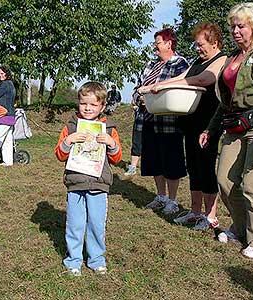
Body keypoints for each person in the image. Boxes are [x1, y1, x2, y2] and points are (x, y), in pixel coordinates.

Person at [200, 3, 253, 258]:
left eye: (241, 26)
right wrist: (210, 129)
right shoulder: (233, 58)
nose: (235, 31)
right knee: (225, 181)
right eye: (233, 26)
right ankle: (242, 228)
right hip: (234, 126)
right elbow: (226, 101)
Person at [148, 23, 227, 231]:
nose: (197, 49)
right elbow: (182, 77)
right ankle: (194, 212)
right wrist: (155, 86)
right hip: (191, 122)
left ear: (215, 43)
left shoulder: (221, 60)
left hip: (208, 124)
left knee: (206, 167)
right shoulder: (197, 61)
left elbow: (204, 79)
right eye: (196, 45)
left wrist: (164, 85)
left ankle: (210, 216)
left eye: (201, 44)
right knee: (193, 167)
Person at [54, 81, 122, 276]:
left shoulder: (109, 129)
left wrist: (111, 144)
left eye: (93, 105)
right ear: (78, 103)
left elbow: (117, 159)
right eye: (84, 104)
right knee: (74, 224)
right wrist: (68, 141)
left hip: (99, 185)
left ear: (102, 106)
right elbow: (59, 155)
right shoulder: (71, 127)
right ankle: (73, 260)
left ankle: (96, 259)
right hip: (75, 183)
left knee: (96, 224)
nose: (88, 108)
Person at [136, 28, 189, 214]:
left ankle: (172, 200)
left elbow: (184, 87)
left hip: (170, 122)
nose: (155, 47)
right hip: (149, 119)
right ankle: (161, 196)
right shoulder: (150, 65)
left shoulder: (180, 64)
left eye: (157, 42)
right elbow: (139, 88)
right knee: (154, 160)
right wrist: (140, 97)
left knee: (171, 160)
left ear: (169, 43)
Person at [0, 66, 16, 166]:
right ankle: (8, 161)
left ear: (7, 74)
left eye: (2, 73)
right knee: (7, 140)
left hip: (4, 116)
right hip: (11, 116)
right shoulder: (11, 84)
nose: (0, 76)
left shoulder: (4, 84)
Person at [124, 94, 146, 176]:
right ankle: (133, 167)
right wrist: (139, 99)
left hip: (154, 121)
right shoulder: (140, 87)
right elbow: (134, 99)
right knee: (136, 145)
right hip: (140, 122)